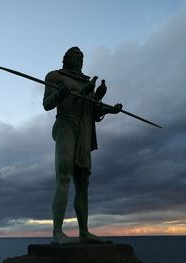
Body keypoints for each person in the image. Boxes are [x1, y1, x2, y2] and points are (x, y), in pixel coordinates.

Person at [43, 46, 122, 244]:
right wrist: (60, 95)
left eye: (81, 55)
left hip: (84, 130)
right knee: (64, 175)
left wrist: (104, 105)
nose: (78, 57)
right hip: (66, 123)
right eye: (74, 54)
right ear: (65, 59)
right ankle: (57, 232)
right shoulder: (54, 76)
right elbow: (47, 104)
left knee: (83, 182)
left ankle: (84, 231)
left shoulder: (87, 83)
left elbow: (92, 112)